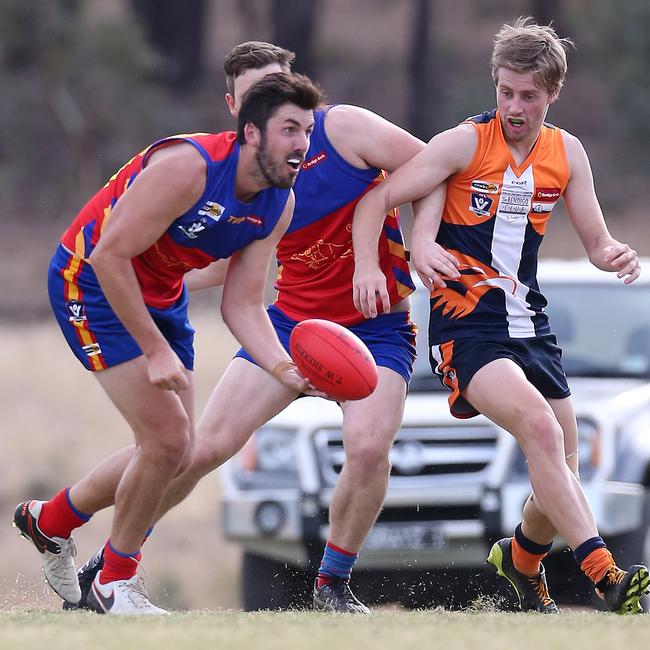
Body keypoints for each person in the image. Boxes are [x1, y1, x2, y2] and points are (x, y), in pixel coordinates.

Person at [54, 41, 444, 614]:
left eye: (281, 91)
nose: (279, 112)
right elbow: (221, 270)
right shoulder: (242, 177)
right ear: (239, 111)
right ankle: (110, 561)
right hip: (291, 324)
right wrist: (140, 287)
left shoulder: (347, 131)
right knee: (196, 447)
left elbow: (434, 171)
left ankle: (332, 584)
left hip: (377, 327)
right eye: (256, 98)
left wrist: (409, 241)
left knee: (366, 448)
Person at [350, 17, 649, 615]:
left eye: (529, 96)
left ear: (552, 93)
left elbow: (594, 241)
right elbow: (380, 196)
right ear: (495, 84)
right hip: (466, 327)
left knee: (560, 464)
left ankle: (519, 560)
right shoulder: (464, 143)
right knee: (539, 429)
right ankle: (606, 576)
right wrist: (403, 252)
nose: (514, 106)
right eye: (505, 91)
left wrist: (614, 255)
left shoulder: (567, 153)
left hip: (529, 325)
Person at [13, 72, 324, 615]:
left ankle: (52, 521)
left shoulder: (279, 202)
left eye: (308, 131)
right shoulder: (190, 167)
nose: (302, 144)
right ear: (251, 133)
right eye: (290, 129)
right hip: (88, 280)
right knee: (166, 440)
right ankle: (112, 584)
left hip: (159, 294)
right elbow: (109, 256)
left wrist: (285, 368)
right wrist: (154, 350)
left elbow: (243, 305)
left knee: (176, 451)